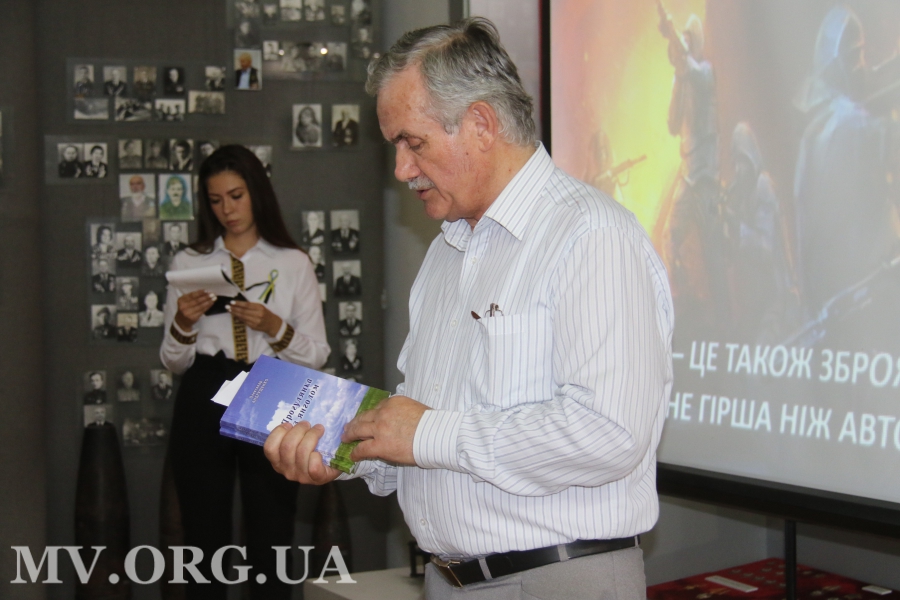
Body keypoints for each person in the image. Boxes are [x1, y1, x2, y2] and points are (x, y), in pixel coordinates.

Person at [264, 18, 673, 599]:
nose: (402, 170)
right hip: (448, 580)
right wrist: (348, 450)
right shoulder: (445, 252)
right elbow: (429, 433)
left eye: (413, 143)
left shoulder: (591, 236)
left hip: (558, 580)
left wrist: (425, 432)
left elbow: (608, 432)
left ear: (481, 124)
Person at [161, 145, 329, 598]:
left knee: (272, 531)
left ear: (257, 192)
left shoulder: (292, 262)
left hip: (270, 387)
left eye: (236, 196)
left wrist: (276, 328)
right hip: (205, 386)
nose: (227, 210)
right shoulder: (189, 262)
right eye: (215, 200)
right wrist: (183, 324)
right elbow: (173, 362)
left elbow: (316, 354)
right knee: (202, 536)